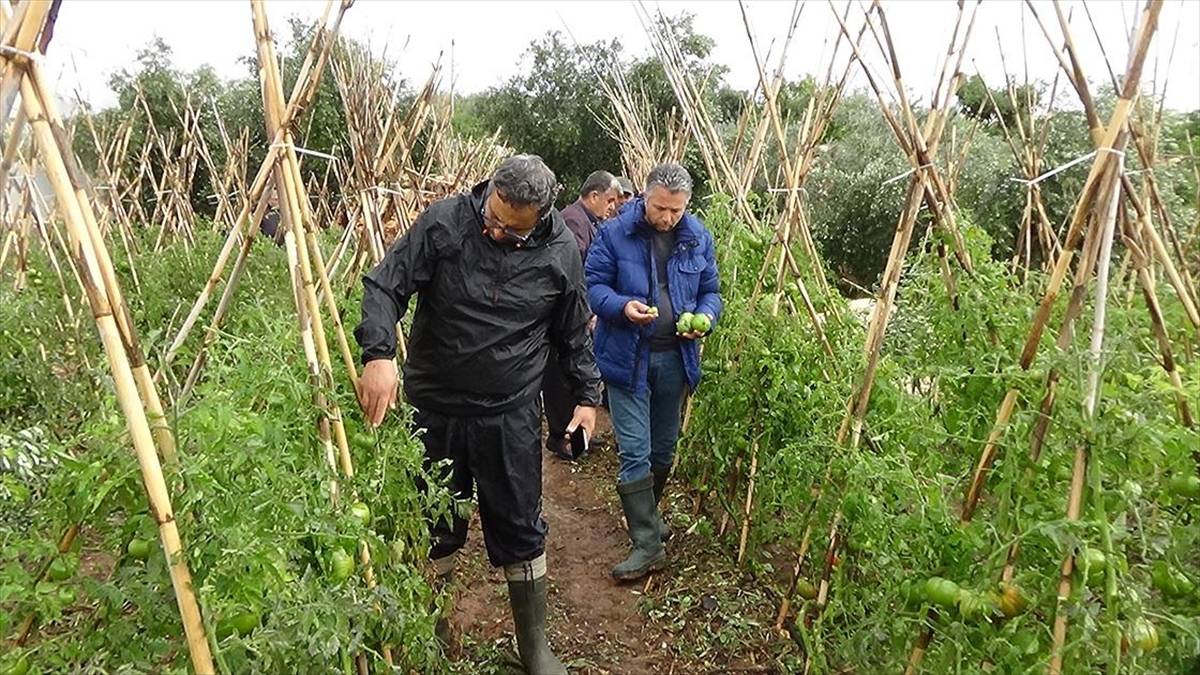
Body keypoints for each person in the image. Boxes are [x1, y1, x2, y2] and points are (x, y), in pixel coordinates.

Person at [354, 154, 600, 675]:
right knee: (430, 523)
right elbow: (384, 285)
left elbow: (573, 331)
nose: (494, 231)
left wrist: (585, 396)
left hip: (508, 415)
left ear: (539, 219)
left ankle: (534, 647)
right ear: (489, 193)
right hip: (433, 407)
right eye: (491, 217)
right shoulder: (446, 222)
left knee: (519, 526)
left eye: (510, 231)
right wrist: (378, 354)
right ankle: (433, 628)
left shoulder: (560, 252)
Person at [584, 163, 722, 581]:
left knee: (663, 447)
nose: (667, 218)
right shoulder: (614, 233)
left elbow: (711, 292)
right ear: (645, 197)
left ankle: (647, 515)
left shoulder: (697, 237)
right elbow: (594, 288)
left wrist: (703, 316)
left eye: (676, 211)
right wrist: (622, 307)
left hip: (675, 358)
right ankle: (647, 542)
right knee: (635, 450)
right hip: (628, 357)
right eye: (661, 208)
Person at [541, 170, 620, 460]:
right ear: (594, 196)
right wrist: (584, 310)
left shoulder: (590, 221)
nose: (612, 207)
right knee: (561, 374)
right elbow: (574, 271)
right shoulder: (574, 220)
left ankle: (576, 434)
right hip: (562, 310)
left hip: (573, 308)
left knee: (573, 372)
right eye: (609, 200)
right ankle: (560, 435)